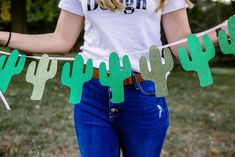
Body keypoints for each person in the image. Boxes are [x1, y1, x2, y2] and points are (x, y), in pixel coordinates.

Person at [0, 0, 229, 156]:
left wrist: (227, 30)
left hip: (144, 93)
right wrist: (3, 37)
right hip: (92, 93)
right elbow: (61, 40)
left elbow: (182, 47)